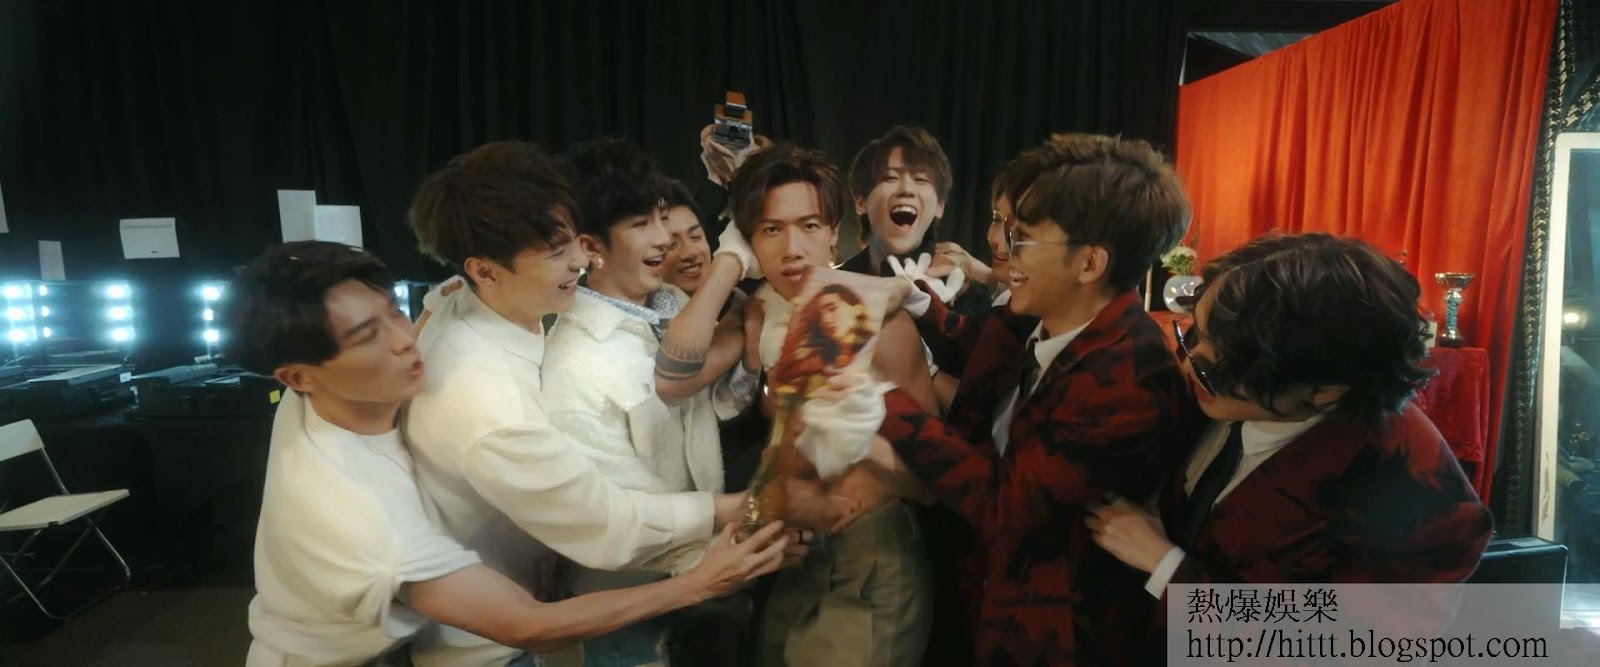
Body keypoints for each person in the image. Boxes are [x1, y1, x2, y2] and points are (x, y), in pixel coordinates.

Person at [231, 241, 787, 667]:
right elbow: (526, 625)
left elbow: (441, 301)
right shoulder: (358, 516)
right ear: (297, 378)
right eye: (365, 336)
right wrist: (696, 584)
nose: (402, 339)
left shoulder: (356, 377)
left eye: (392, 312)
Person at [399, 143, 771, 665]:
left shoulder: (482, 301)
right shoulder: (491, 398)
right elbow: (607, 525)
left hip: (594, 586)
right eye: (557, 251)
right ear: (485, 271)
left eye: (574, 238)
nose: (580, 258)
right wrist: (745, 511)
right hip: (499, 640)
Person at [876, 133, 1199, 665]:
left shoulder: (1129, 380)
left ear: (1089, 263)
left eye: (1021, 236)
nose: (1001, 247)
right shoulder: (1040, 312)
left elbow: (1004, 502)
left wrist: (877, 400)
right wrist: (916, 302)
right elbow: (981, 346)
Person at [1085, 233, 1492, 612]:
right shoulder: (1213, 398)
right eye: (1196, 336)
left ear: (1325, 389)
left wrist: (1166, 567)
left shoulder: (1422, 496)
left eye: (1225, 364)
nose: (1191, 366)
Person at [541, 138, 763, 666]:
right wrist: (745, 521)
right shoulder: (575, 361)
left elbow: (712, 409)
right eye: (642, 224)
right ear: (591, 246)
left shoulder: (671, 308)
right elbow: (617, 519)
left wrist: (748, 342)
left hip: (706, 583)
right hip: (633, 606)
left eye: (662, 216)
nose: (665, 238)